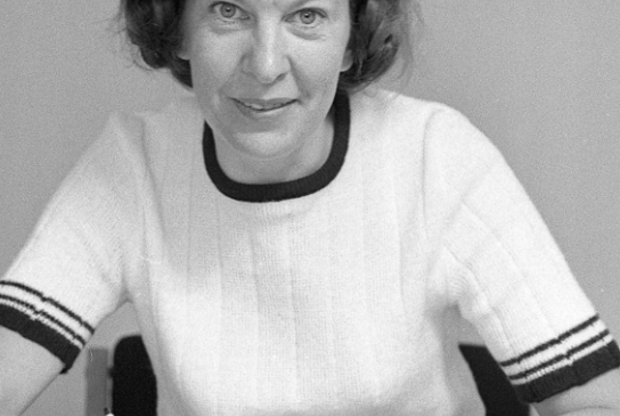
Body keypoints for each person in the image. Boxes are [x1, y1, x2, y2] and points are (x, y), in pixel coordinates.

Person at [1, 0, 619, 414]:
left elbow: (595, 399)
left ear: (352, 40)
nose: (266, 65)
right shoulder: (133, 164)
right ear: (177, 29)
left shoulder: (437, 157)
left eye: (307, 16)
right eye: (228, 11)